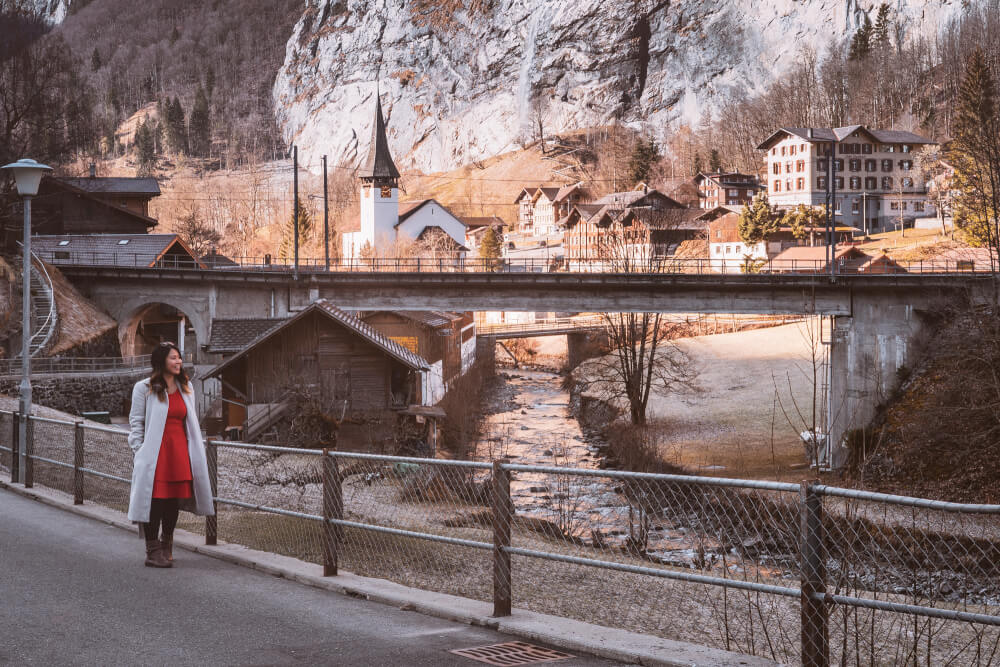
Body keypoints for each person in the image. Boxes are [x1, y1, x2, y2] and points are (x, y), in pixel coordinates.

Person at [127, 342, 214, 568]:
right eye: (173, 358)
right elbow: (136, 422)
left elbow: (190, 421)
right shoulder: (144, 388)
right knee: (155, 499)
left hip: (179, 452)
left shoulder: (186, 387)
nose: (178, 362)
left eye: (179, 358)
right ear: (161, 361)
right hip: (155, 454)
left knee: (172, 501)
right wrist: (139, 449)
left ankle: (167, 543)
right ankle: (152, 549)